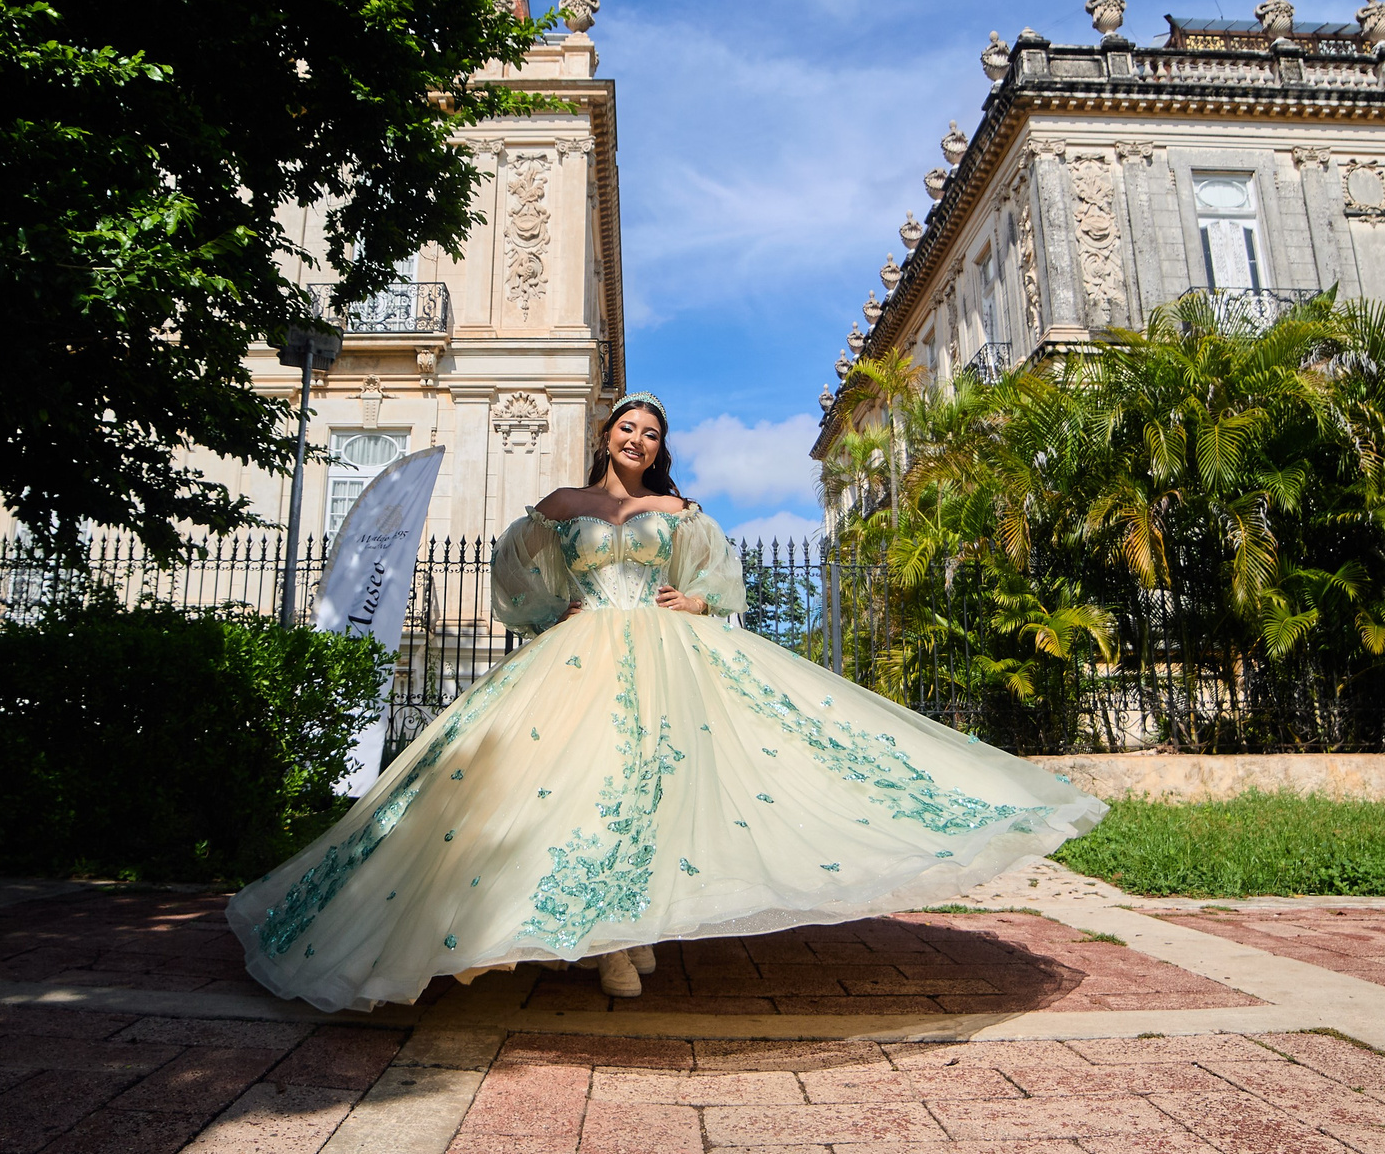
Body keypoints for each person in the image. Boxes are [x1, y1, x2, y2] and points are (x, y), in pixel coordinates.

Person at [226, 392, 1106, 1012]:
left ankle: (625, 932)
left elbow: (721, 580)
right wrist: (548, 611)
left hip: (660, 650)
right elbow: (513, 570)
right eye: (627, 427)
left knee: (653, 782)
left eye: (650, 432)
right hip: (577, 655)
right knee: (564, 785)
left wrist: (699, 601)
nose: (637, 439)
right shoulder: (562, 503)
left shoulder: (677, 508)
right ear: (605, 435)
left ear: (658, 447)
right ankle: (609, 939)